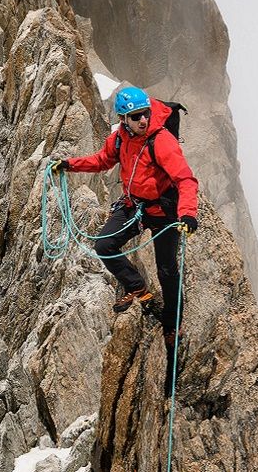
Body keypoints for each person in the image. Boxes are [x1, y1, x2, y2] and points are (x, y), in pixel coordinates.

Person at [51, 86, 198, 347]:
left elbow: (185, 179)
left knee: (167, 271)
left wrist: (187, 214)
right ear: (123, 120)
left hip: (163, 211)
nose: (143, 120)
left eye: (145, 114)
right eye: (136, 116)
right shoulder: (119, 139)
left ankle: (172, 325)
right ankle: (137, 287)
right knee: (104, 245)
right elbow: (102, 161)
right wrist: (70, 164)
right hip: (134, 206)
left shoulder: (161, 140)